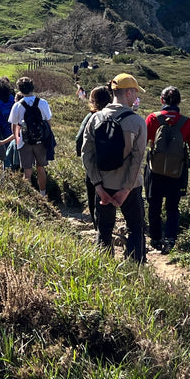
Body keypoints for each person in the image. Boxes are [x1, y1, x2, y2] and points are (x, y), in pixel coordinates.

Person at [81, 73, 148, 261]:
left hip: (103, 184)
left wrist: (98, 186)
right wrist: (126, 189)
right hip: (130, 187)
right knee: (136, 228)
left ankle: (103, 269)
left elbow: (87, 155)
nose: (136, 97)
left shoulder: (94, 119)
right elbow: (137, 160)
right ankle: (135, 271)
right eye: (135, 92)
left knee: (103, 230)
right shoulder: (137, 122)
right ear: (128, 93)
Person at [144, 86, 190, 253]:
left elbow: (141, 143)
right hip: (176, 173)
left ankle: (155, 239)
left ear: (162, 100)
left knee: (154, 205)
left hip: (154, 171)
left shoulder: (152, 118)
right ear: (179, 101)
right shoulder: (186, 122)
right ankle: (170, 239)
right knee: (172, 207)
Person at [8, 76, 53, 194]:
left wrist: (18, 142)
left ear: (20, 89)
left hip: (24, 141)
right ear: (32, 87)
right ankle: (43, 194)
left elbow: (14, 126)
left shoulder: (17, 105)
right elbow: (48, 123)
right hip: (41, 140)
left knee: (27, 171)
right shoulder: (43, 103)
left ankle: (28, 197)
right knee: (41, 168)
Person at [74, 85, 112, 214]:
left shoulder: (91, 117)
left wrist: (81, 154)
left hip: (95, 163)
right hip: (116, 164)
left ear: (93, 101)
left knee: (94, 195)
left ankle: (97, 225)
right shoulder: (116, 115)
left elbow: (79, 139)